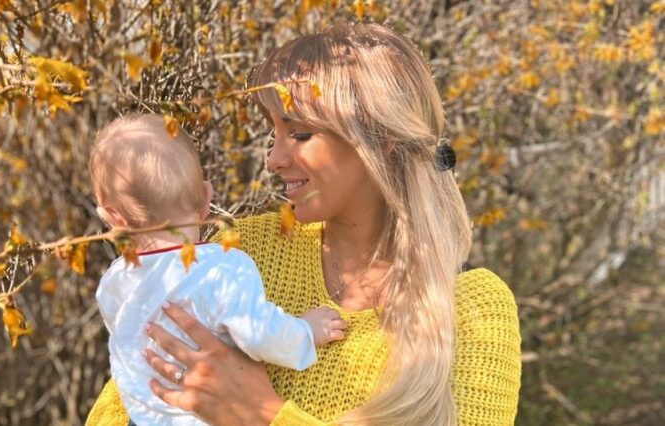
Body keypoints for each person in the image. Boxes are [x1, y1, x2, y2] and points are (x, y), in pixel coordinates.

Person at [86, 23, 521, 426]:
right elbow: (121, 401)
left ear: (381, 140)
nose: (273, 159)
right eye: (273, 133)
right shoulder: (240, 250)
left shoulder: (474, 312)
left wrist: (261, 414)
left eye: (299, 134)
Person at [88, 114, 347, 426]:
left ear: (111, 218)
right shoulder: (220, 268)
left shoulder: (114, 282)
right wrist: (306, 332)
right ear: (206, 199)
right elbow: (258, 334)